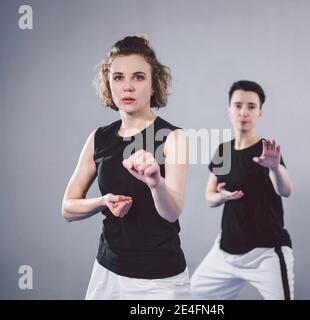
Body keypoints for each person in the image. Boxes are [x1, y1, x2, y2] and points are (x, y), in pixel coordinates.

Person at [61, 35, 190, 299]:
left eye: (138, 77)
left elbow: (172, 212)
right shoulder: (98, 138)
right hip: (107, 273)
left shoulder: (174, 137)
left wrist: (156, 181)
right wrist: (103, 201)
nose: (127, 87)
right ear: (109, 84)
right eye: (118, 77)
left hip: (160, 282)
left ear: (154, 85)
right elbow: (68, 208)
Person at [190, 80, 295, 300]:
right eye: (238, 105)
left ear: (260, 113)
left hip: (265, 254)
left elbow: (285, 190)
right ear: (229, 110)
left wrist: (275, 167)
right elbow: (209, 197)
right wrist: (221, 197)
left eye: (251, 106)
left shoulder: (267, 150)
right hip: (226, 250)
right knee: (193, 297)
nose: (243, 112)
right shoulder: (224, 151)